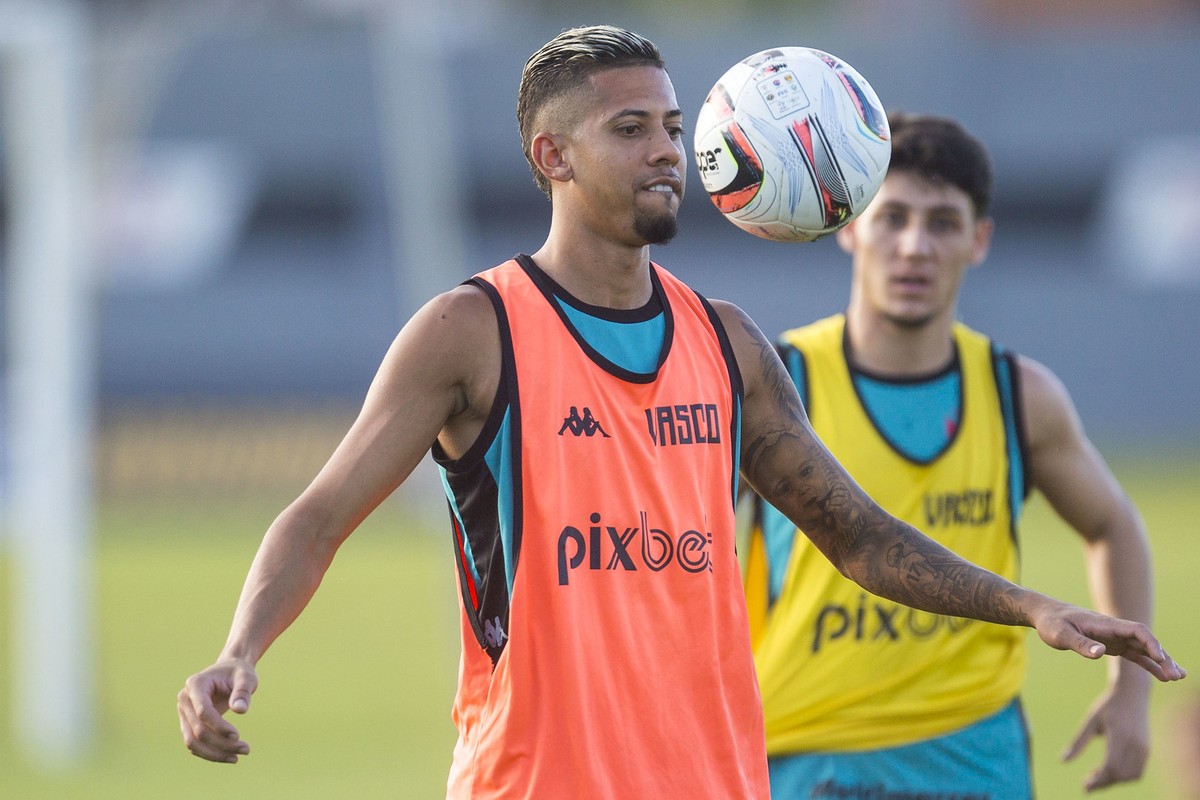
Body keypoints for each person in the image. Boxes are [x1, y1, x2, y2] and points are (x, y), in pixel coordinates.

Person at [177, 28, 1184, 799]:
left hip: (716, 780)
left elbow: (857, 535)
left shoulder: (728, 342)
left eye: (672, 126)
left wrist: (1034, 607)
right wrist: (239, 649)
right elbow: (319, 515)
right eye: (631, 130)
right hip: (533, 781)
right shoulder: (472, 331)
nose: (669, 151)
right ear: (552, 155)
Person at [745, 111, 1168, 798]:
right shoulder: (778, 383)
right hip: (809, 755)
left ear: (979, 240)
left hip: (974, 756)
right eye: (893, 218)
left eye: (942, 223)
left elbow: (1112, 524)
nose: (915, 247)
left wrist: (1130, 691)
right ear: (849, 227)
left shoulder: (1018, 395)